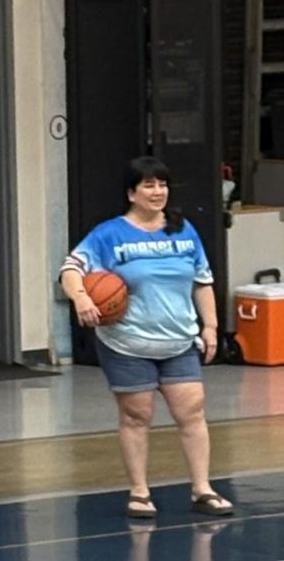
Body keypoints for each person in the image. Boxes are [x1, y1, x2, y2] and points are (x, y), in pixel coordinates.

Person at [59, 156, 232, 520]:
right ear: (131, 193)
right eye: (149, 185)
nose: (158, 192)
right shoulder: (109, 234)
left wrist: (211, 326)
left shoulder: (184, 231)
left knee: (193, 411)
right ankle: (139, 491)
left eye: (163, 185)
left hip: (178, 340)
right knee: (137, 415)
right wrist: (82, 296)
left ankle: (202, 488)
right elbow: (71, 269)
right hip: (128, 342)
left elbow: (202, 281)